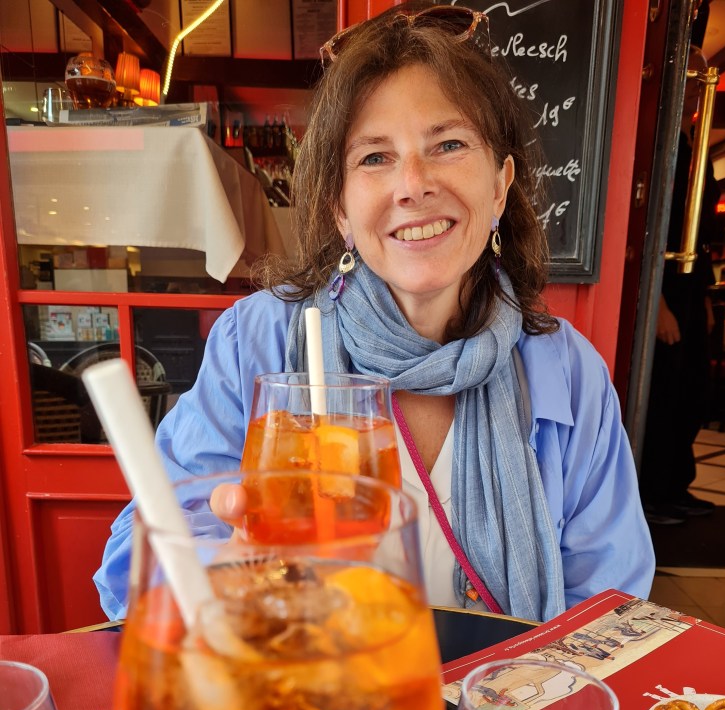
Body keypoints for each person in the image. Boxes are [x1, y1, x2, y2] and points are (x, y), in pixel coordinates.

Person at [95, 3, 654, 622]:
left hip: (501, 706)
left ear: (499, 186)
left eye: (447, 143)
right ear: (340, 209)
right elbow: (135, 562)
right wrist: (223, 576)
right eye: (373, 158)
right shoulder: (259, 341)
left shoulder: (568, 374)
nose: (412, 184)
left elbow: (612, 608)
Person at [639, 45, 721, 526]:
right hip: (665, 285)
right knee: (664, 391)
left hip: (695, 285)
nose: (696, 86)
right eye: (692, 76)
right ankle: (653, 493)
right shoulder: (661, 149)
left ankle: (676, 486)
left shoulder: (698, 146)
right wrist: (659, 305)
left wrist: (705, 299)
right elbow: (652, 231)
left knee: (692, 390)